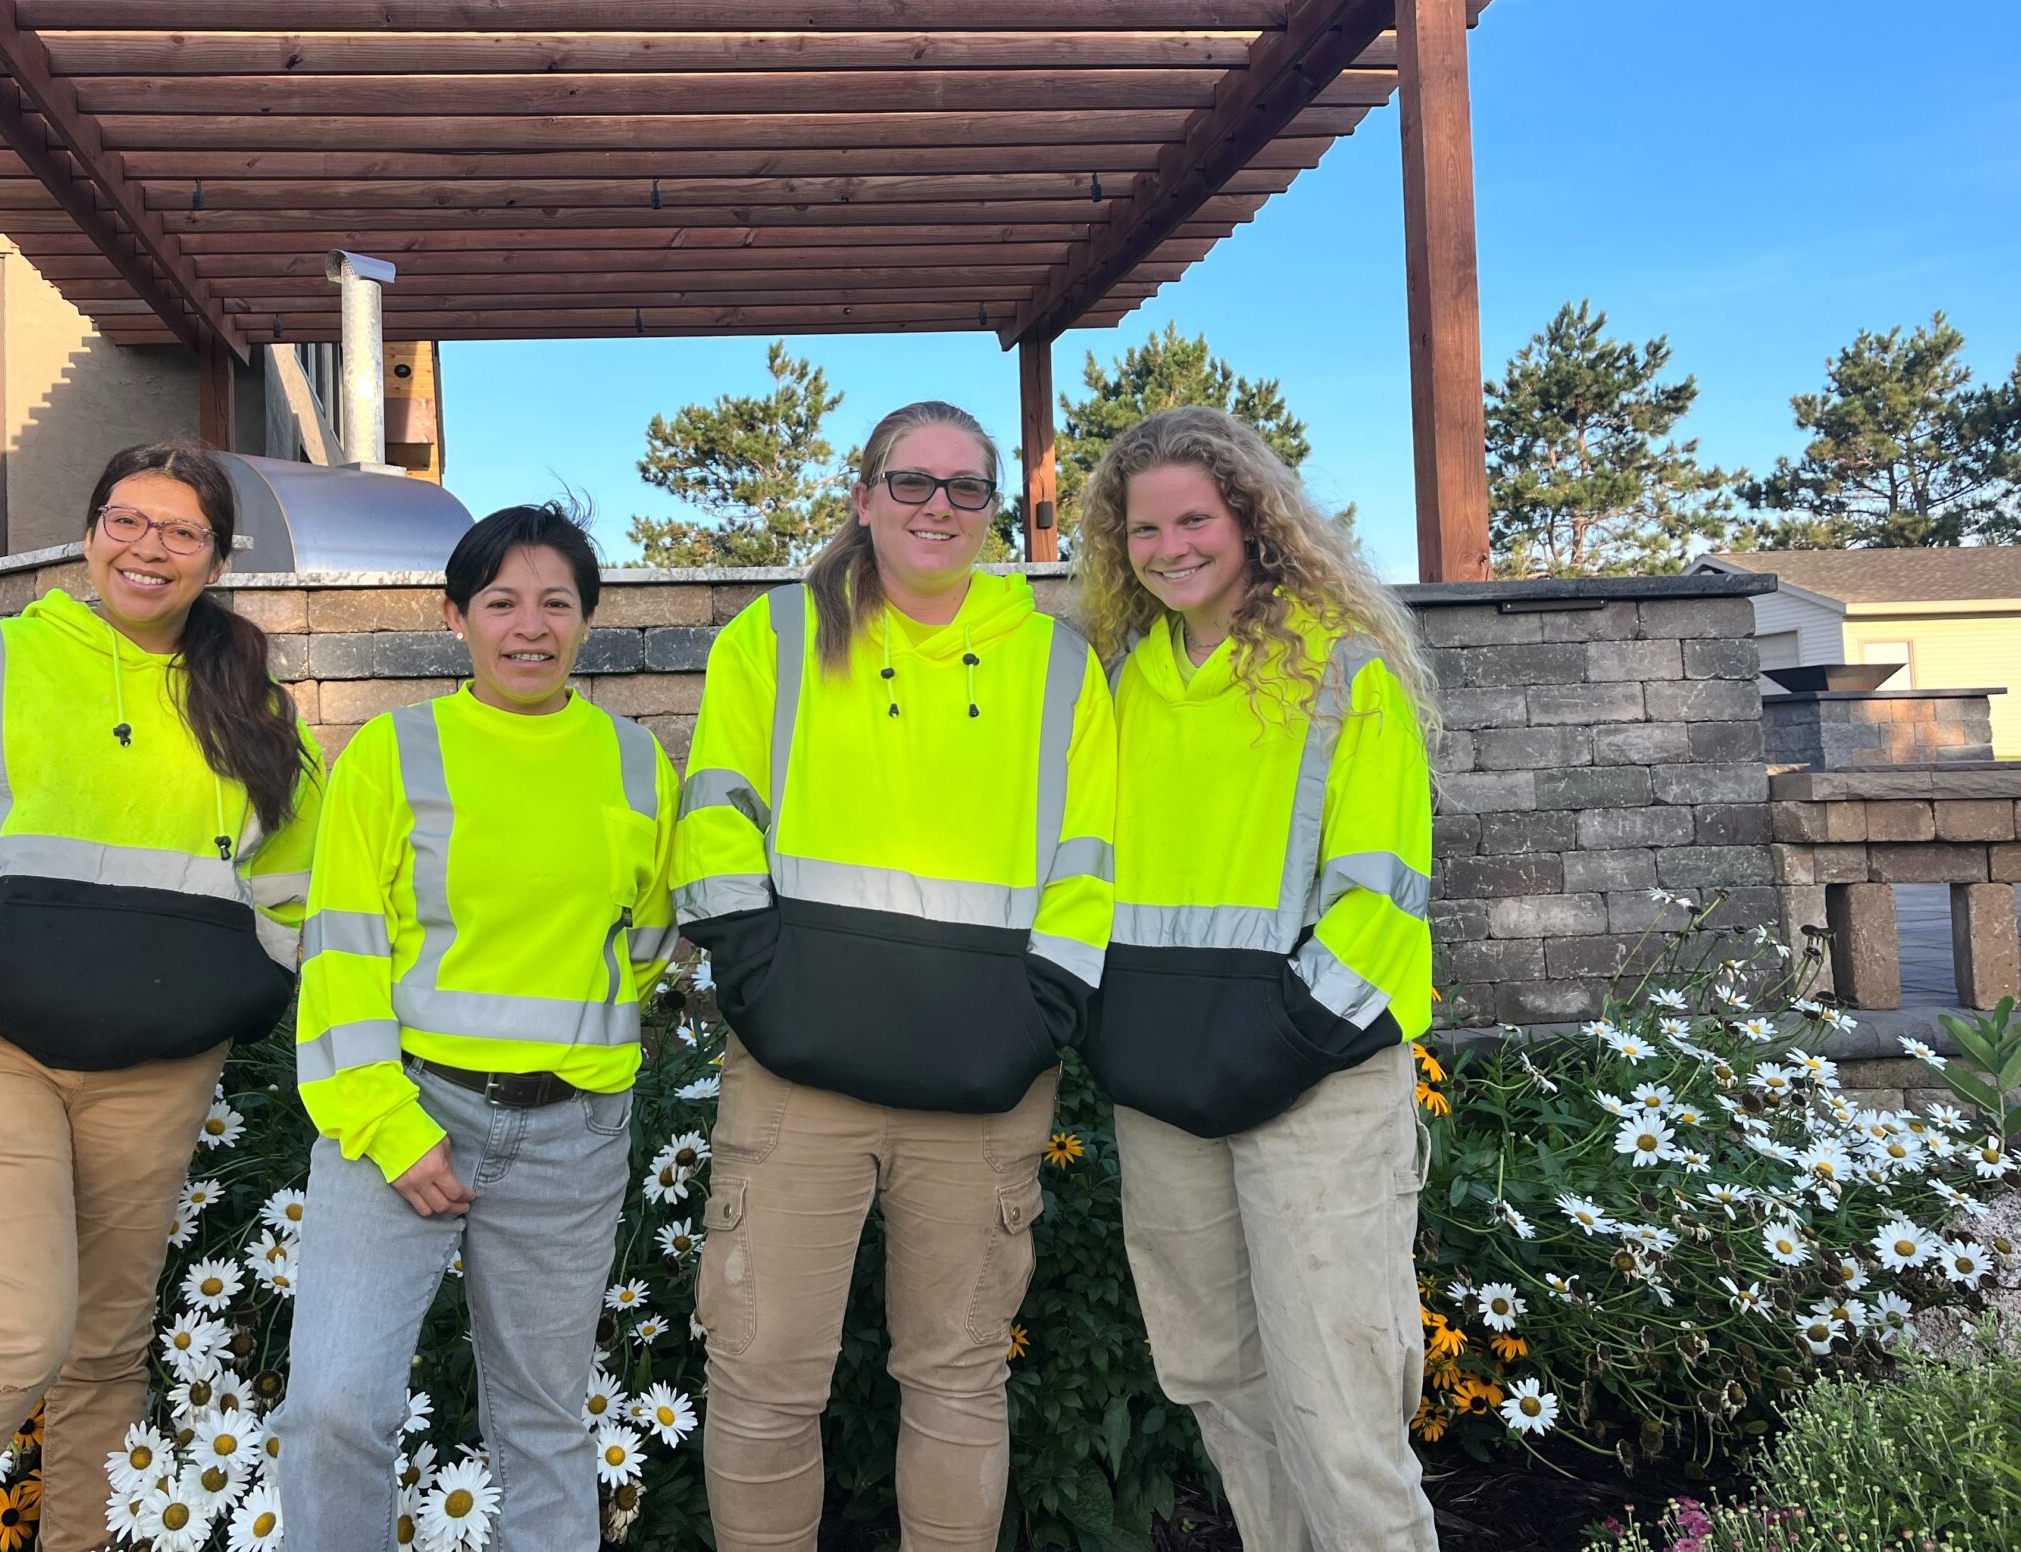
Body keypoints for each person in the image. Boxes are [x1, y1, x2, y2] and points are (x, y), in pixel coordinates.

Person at [0, 442, 322, 1552]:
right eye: (129, 521)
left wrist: (238, 989)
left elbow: (294, 885)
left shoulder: (253, 699)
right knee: (15, 1335)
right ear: (90, 533)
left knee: (105, 1348)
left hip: (158, 1070)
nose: (151, 549)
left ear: (217, 559)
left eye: (183, 532)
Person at [674, 399, 1115, 1552]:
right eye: (910, 482)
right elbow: (716, 826)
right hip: (793, 1078)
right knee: (763, 1376)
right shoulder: (769, 641)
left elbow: (1090, 871)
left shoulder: (1064, 671)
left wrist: (1037, 1023)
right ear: (863, 498)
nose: (938, 506)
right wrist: (759, 991)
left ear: (998, 516)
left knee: (958, 1377)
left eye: (966, 488)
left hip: (985, 1086)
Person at [277, 501, 680, 1549]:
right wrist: (389, 1122)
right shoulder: (391, 755)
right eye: (501, 601)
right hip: (403, 1112)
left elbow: (645, 943)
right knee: (333, 1410)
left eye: (556, 602)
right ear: (455, 617)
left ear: (588, 619)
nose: (530, 626)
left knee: (545, 1426)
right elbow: (342, 956)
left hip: (573, 1139)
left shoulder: (639, 765)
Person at [1072, 406, 1438, 1551]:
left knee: (1340, 1410)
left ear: (1253, 519)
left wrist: (1270, 1052)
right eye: (1144, 528)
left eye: (1196, 518)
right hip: (1167, 1095)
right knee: (1217, 1381)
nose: (1170, 547)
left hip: (1311, 1085)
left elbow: (1380, 898)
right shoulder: (1125, 681)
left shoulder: (1344, 664)